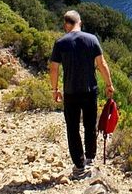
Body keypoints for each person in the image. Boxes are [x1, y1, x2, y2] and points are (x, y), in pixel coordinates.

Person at [49, 10, 114, 176]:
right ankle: (90, 158)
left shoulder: (60, 42)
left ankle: (79, 165)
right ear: (80, 22)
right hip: (90, 90)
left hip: (70, 92)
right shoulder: (92, 39)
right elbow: (101, 64)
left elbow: (54, 68)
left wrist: (55, 89)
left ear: (66, 24)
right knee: (90, 125)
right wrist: (109, 84)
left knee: (72, 128)